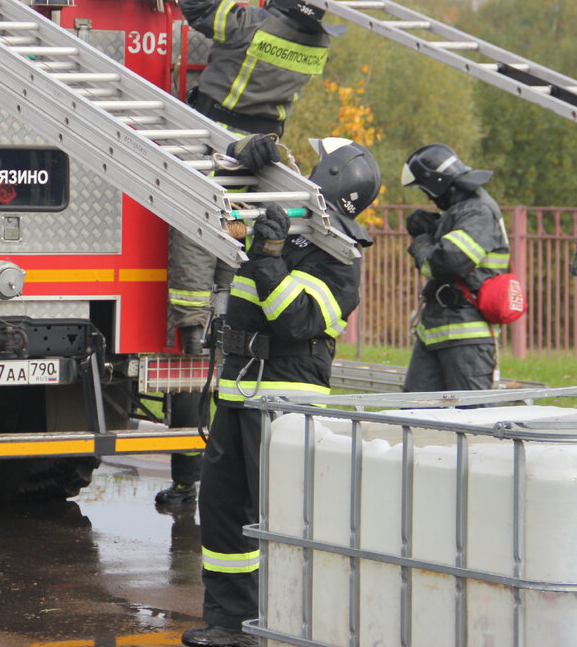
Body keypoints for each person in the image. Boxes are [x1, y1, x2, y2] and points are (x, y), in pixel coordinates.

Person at [163, 0, 348, 506]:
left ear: (284, 3)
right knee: (234, 240)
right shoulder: (313, 47)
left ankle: (193, 321)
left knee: (196, 225)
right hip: (263, 148)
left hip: (215, 132)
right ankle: (221, 312)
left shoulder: (255, 27)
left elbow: (196, 5)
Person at [182, 136, 381, 647]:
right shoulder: (283, 221)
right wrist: (248, 157)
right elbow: (220, 196)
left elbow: (297, 323)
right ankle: (231, 623)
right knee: (224, 512)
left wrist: (269, 260)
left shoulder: (342, 258)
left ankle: (290, 625)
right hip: (237, 389)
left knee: (284, 522)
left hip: (285, 402)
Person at [400, 143, 510, 392]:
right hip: (435, 331)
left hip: (467, 337)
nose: (428, 197)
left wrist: (422, 242)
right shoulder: (463, 210)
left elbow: (448, 263)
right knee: (413, 414)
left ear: (439, 183)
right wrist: (433, 225)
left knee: (470, 421)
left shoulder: (478, 211)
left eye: (426, 190)